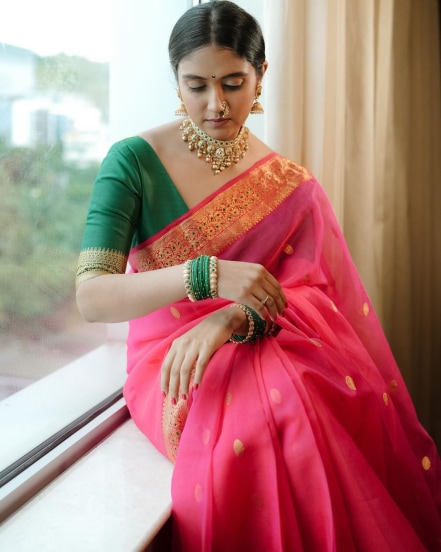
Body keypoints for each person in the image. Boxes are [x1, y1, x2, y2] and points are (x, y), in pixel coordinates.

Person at [75, 1, 441, 550]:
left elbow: (310, 292)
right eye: (196, 85)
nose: (215, 105)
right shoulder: (132, 162)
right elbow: (92, 298)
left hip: (258, 333)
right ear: (175, 80)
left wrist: (231, 316)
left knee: (323, 395)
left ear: (261, 75)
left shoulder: (288, 183)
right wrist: (207, 276)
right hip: (172, 363)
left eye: (233, 83)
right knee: (274, 416)